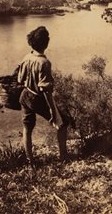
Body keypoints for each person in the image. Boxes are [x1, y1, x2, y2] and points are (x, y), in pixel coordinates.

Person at [17, 26, 68, 164]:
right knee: (62, 123)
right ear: (46, 43)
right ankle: (63, 158)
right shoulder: (45, 63)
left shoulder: (26, 57)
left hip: (25, 95)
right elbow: (46, 90)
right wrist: (53, 110)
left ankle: (30, 160)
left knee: (27, 128)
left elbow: (19, 79)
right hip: (37, 98)